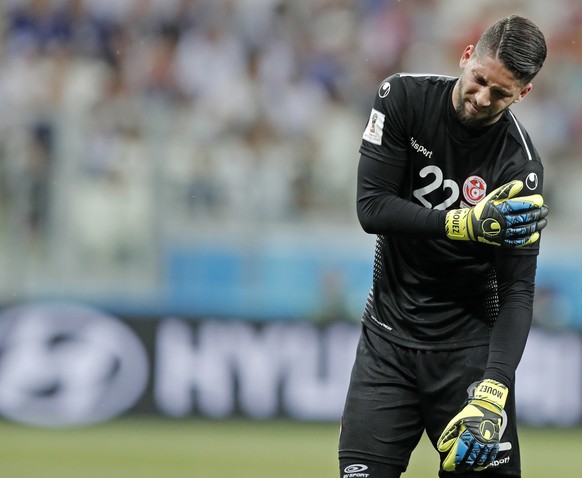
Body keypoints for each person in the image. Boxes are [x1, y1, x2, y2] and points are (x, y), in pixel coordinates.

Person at [339, 15, 549, 478]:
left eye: (500, 94)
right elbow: (371, 209)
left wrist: (494, 388)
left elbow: (518, 291)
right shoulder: (402, 99)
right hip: (386, 344)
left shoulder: (520, 170)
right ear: (467, 54)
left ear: (523, 94)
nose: (481, 99)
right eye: (479, 81)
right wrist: (464, 223)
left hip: (469, 357)